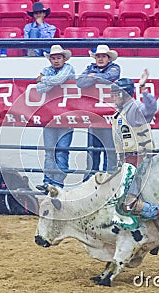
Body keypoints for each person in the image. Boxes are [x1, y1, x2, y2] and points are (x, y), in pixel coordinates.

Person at [111, 76, 159, 246]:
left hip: (137, 160)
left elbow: (150, 108)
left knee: (128, 202)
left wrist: (144, 90)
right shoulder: (125, 110)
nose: (113, 98)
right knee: (125, 200)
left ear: (124, 94)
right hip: (131, 160)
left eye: (116, 94)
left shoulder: (133, 108)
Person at [35, 45, 75, 194]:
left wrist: (44, 79)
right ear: (50, 59)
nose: (56, 61)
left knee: (61, 151)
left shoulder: (67, 69)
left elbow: (59, 79)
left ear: (64, 59)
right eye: (53, 58)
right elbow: (40, 89)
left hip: (66, 116)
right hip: (51, 116)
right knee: (50, 151)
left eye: (58, 58)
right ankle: (48, 182)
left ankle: (58, 184)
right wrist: (49, 82)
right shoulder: (48, 70)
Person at [76, 45, 120, 180]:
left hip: (108, 117)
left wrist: (93, 76)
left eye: (103, 56)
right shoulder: (90, 67)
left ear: (108, 58)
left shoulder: (114, 68)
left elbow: (109, 77)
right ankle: (91, 179)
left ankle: (110, 178)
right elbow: (80, 82)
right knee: (93, 150)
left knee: (109, 151)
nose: (100, 59)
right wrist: (96, 77)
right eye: (98, 56)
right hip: (94, 117)